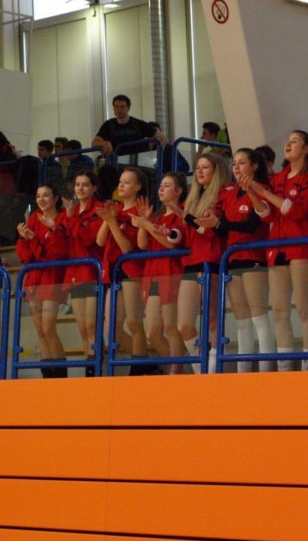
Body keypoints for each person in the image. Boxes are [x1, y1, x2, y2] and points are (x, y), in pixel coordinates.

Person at [243, 131, 308, 371]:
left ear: (306, 149)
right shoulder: (279, 178)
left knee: (305, 310)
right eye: (287, 140)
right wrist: (252, 192)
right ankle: (285, 367)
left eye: (294, 141)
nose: (288, 144)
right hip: (277, 248)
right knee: (279, 311)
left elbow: (297, 211)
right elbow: (268, 216)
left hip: (301, 246)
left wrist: (263, 192)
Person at [201, 149, 275, 372]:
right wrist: (212, 223)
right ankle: (243, 374)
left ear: (254, 166)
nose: (236, 167)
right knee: (242, 322)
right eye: (234, 163)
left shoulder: (262, 189)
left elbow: (252, 225)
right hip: (232, 259)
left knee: (259, 318)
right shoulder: (229, 193)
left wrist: (219, 224)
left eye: (242, 163)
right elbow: (223, 229)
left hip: (253, 258)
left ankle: (266, 372)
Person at [170, 153, 230, 373]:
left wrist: (182, 214)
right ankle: (200, 370)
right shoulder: (192, 198)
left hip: (211, 259)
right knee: (184, 325)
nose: (200, 172)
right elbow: (186, 234)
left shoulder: (222, 195)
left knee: (212, 318)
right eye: (197, 168)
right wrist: (170, 233)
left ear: (216, 171)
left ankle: (213, 372)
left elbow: (207, 229)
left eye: (205, 167)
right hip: (192, 261)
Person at [96, 167, 150, 374]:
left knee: (134, 322)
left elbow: (127, 247)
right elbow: (100, 241)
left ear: (137, 187)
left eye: (127, 182)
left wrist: (112, 221)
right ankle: (147, 363)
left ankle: (139, 368)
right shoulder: (115, 209)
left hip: (131, 271)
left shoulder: (139, 211)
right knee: (113, 329)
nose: (121, 185)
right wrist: (108, 219)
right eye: (120, 181)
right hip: (113, 271)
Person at [132, 173, 187, 375]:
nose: (161, 189)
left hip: (171, 273)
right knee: (152, 332)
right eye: (161, 185)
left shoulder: (181, 214)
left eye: (167, 185)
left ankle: (176, 372)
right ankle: (178, 370)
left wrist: (146, 225)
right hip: (152, 274)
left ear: (178, 191)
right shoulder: (156, 217)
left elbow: (171, 244)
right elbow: (142, 244)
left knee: (172, 327)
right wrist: (146, 221)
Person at [16, 183, 69, 378]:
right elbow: (25, 253)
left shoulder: (62, 219)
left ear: (55, 198)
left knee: (48, 327)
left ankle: (60, 374)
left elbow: (58, 252)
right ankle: (47, 373)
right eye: (38, 196)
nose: (41, 199)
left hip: (52, 275)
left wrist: (35, 240)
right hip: (34, 276)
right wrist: (28, 238)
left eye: (46, 195)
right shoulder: (33, 218)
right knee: (40, 330)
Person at [62, 170, 104, 377]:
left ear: (94, 188)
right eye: (78, 184)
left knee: (91, 326)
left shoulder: (99, 210)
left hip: (93, 273)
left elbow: (88, 239)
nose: (80, 188)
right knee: (81, 327)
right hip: (74, 273)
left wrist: (71, 219)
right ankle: (89, 367)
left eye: (85, 184)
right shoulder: (70, 211)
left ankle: (95, 370)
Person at [92, 94, 168, 157]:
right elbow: (95, 143)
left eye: (122, 107)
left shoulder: (138, 124)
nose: (119, 110)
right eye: (116, 106)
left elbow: (162, 138)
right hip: (117, 163)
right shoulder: (108, 125)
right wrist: (104, 143)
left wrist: (156, 156)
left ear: (128, 108)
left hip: (139, 163)